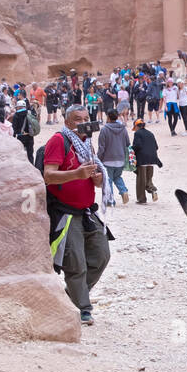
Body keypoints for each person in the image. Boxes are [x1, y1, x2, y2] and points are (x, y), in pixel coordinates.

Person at [42, 105, 112, 325]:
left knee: (101, 256)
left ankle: (72, 295)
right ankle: (83, 308)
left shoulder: (86, 144)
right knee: (76, 264)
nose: (82, 122)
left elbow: (92, 177)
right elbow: (48, 176)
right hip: (65, 212)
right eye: (77, 119)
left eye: (86, 118)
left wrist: (97, 180)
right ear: (67, 121)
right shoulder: (58, 141)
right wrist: (77, 174)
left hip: (87, 212)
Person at [97, 108, 131, 205]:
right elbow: (128, 144)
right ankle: (123, 190)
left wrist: (98, 159)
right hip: (120, 159)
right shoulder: (123, 129)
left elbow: (101, 147)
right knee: (117, 177)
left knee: (108, 180)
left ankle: (110, 200)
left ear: (108, 117)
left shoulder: (104, 130)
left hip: (108, 160)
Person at [131, 119, 162, 205]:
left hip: (142, 159)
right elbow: (156, 146)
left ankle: (142, 199)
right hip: (152, 160)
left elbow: (138, 145)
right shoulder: (150, 133)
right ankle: (153, 191)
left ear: (137, 126)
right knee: (149, 178)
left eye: (135, 127)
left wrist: (131, 149)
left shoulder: (137, 133)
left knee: (141, 180)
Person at [12, 99, 35, 164]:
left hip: (20, 137)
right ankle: (32, 167)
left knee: (21, 154)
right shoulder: (29, 113)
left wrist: (13, 136)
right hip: (30, 136)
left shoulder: (16, 115)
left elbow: (14, 127)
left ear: (18, 107)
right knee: (30, 154)